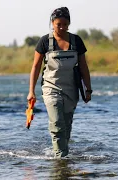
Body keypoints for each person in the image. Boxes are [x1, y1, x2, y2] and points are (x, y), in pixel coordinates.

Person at [27, 7, 92, 158]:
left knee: (66, 127)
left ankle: (63, 156)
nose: (62, 27)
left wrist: (88, 89)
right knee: (56, 124)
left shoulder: (76, 41)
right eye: (58, 24)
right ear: (52, 23)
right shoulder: (44, 41)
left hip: (71, 89)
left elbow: (84, 67)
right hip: (50, 88)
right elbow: (35, 67)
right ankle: (60, 158)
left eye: (65, 24)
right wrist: (31, 91)